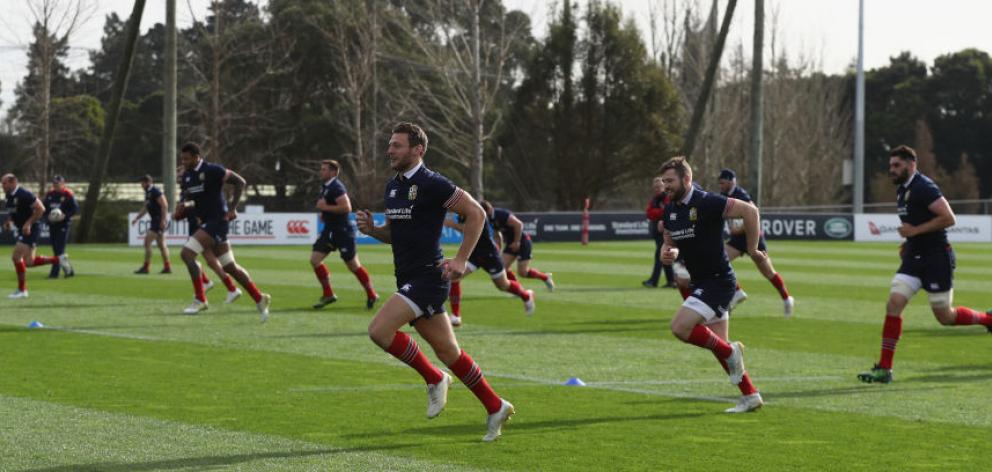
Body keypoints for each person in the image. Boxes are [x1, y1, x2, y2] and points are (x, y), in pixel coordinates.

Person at [356, 122, 514, 441]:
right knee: (448, 351)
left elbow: (476, 214)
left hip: (429, 276)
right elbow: (395, 232)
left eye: (397, 145)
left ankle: (433, 378)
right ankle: (496, 405)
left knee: (379, 330)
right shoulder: (393, 186)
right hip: (409, 275)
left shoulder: (433, 183)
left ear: (418, 150)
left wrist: (460, 260)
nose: (390, 150)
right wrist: (374, 230)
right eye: (390, 144)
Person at [858, 145, 992, 384]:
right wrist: (909, 241)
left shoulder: (924, 187)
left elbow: (949, 218)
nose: (892, 170)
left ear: (911, 165)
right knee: (894, 303)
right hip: (914, 257)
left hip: (936, 258)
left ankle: (988, 320)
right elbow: (915, 223)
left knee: (944, 316)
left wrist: (915, 231)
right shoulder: (902, 190)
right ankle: (884, 369)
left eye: (897, 165)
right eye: (890, 166)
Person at [658, 157, 764, 413]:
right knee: (718, 347)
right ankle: (751, 396)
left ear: (686, 179)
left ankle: (731, 352)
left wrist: (752, 248)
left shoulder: (707, 202)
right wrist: (668, 252)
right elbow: (670, 241)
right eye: (663, 182)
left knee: (680, 327)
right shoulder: (670, 209)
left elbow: (751, 211)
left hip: (719, 281)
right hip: (702, 282)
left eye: (670, 181)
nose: (666, 187)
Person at [177, 143, 271, 319]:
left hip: (218, 221)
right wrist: (185, 207)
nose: (184, 162)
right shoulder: (188, 176)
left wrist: (233, 208)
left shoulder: (212, 169)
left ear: (197, 157)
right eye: (182, 158)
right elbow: (193, 200)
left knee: (187, 254)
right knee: (230, 266)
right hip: (207, 222)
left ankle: (200, 299)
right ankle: (259, 298)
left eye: (186, 158)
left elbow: (240, 182)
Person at [717, 169, 795, 317]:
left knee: (768, 272)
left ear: (730, 181)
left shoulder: (741, 194)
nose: (720, 186)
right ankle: (737, 292)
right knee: (718, 261)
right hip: (739, 240)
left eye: (722, 183)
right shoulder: (725, 195)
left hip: (754, 238)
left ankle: (786, 299)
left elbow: (754, 214)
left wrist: (739, 228)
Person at [443, 212, 535, 327]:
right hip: (474, 255)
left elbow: (470, 229)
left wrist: (450, 224)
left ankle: (526, 295)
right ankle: (456, 316)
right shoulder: (462, 215)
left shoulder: (476, 212)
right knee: (454, 277)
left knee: (503, 285)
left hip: (489, 255)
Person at [310, 159, 379, 310]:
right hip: (329, 230)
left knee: (353, 265)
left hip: (342, 232)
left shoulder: (336, 186)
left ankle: (371, 293)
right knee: (315, 259)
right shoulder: (326, 187)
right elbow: (331, 208)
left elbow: (346, 208)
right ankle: (328, 294)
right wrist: (325, 213)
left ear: (333, 172)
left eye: (324, 169)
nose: (321, 172)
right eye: (321, 169)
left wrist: (325, 208)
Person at [174, 165, 242, 305]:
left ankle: (222, 288)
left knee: (202, 258)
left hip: (201, 226)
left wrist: (184, 209)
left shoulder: (193, 185)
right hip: (197, 225)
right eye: (177, 176)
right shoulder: (185, 189)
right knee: (205, 259)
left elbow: (197, 203)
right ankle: (223, 286)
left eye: (180, 175)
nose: (178, 177)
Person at [2, 174, 59, 298]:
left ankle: (22, 290)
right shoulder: (9, 195)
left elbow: (41, 209)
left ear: (13, 182)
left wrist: (28, 224)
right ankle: (59, 260)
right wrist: (9, 221)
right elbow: (13, 211)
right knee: (29, 262)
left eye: (4, 183)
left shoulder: (24, 194)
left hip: (31, 229)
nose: (2, 186)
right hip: (24, 229)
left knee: (16, 257)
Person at [480, 201, 555, 291]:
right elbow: (497, 235)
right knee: (502, 268)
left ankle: (545, 277)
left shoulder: (501, 214)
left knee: (523, 272)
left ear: (487, 210)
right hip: (511, 243)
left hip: (522, 242)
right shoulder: (489, 219)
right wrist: (498, 249)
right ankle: (518, 289)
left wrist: (517, 242)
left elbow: (519, 224)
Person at [132, 175, 172, 274]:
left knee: (147, 242)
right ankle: (167, 267)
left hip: (158, 220)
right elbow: (146, 208)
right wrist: (137, 218)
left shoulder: (155, 191)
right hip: (156, 220)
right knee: (162, 245)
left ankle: (146, 267)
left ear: (148, 182)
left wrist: (163, 220)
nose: (141, 185)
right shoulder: (148, 193)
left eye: (142, 183)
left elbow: (165, 205)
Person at [42, 174, 77, 278]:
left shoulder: (68, 194)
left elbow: (74, 209)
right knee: (56, 249)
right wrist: (47, 218)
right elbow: (44, 209)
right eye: (54, 184)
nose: (55, 185)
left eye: (57, 184)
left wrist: (65, 216)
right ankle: (69, 270)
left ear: (63, 184)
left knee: (59, 249)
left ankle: (54, 273)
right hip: (52, 225)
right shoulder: (50, 194)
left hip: (63, 225)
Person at [643, 176, 676, 288]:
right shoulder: (655, 199)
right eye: (655, 187)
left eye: (659, 187)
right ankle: (671, 281)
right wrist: (659, 213)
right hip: (657, 232)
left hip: (665, 232)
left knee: (660, 255)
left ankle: (653, 281)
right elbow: (649, 213)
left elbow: (666, 212)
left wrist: (658, 213)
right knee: (664, 255)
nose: (656, 189)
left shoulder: (667, 198)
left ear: (663, 186)